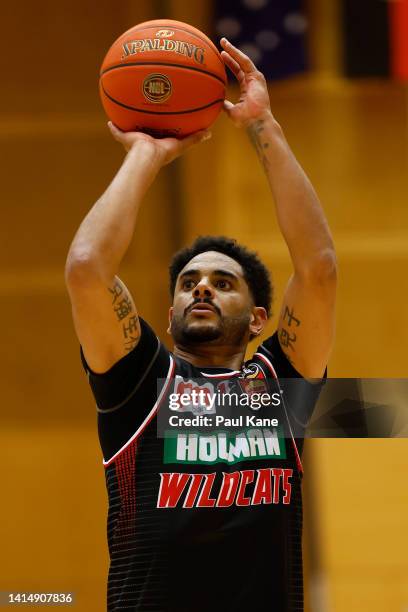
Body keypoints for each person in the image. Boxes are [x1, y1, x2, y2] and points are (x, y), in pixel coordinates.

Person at [65, 38, 336, 612]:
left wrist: (263, 125)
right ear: (169, 315)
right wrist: (146, 152)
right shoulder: (141, 383)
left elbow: (319, 270)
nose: (202, 288)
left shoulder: (280, 391)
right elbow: (88, 269)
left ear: (261, 319)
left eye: (222, 282)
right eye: (188, 284)